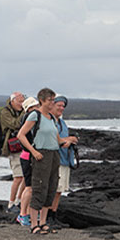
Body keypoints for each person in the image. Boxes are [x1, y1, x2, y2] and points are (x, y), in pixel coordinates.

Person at [17, 88, 77, 235]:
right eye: (50, 100)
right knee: (39, 188)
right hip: (41, 154)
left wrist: (69, 140)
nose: (53, 102)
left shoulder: (51, 118)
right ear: (42, 100)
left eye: (53, 99)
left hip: (54, 154)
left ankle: (43, 222)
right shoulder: (35, 115)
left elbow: (57, 139)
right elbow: (21, 135)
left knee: (51, 188)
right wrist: (34, 151)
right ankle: (34, 224)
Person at [48, 95, 77, 228]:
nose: (61, 108)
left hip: (65, 160)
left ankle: (53, 215)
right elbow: (56, 140)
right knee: (54, 189)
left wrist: (71, 140)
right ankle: (47, 217)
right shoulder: (50, 121)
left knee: (60, 190)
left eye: (63, 106)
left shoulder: (62, 122)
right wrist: (68, 140)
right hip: (55, 160)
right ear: (52, 105)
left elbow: (65, 140)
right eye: (59, 105)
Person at [0, 91, 25, 216]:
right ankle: (11, 203)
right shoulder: (5, 112)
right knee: (18, 176)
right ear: (12, 101)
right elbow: (15, 124)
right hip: (14, 148)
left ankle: (19, 201)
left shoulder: (20, 111)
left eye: (23, 101)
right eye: (20, 101)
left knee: (26, 176)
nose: (22, 104)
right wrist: (26, 111)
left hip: (24, 147)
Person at [15, 97, 40, 227]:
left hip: (28, 155)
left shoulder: (28, 118)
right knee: (29, 187)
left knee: (31, 186)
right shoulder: (30, 119)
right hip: (28, 156)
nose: (38, 109)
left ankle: (28, 213)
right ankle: (23, 214)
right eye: (35, 106)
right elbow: (23, 136)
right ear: (29, 108)